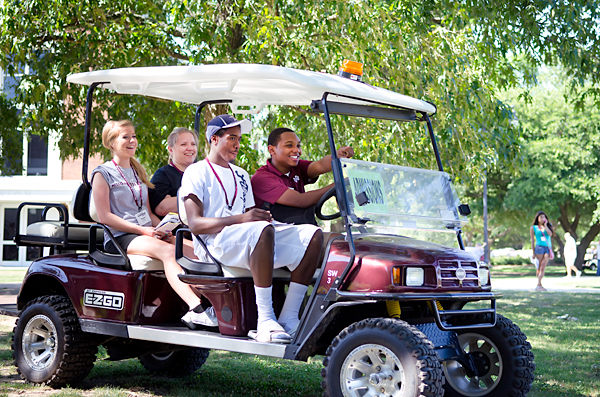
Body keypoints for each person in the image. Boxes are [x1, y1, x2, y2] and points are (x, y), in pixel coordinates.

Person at [180, 115, 323, 343]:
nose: (237, 144)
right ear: (214, 139)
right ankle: (265, 320)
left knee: (312, 235)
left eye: (239, 138)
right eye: (231, 138)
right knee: (262, 230)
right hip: (214, 243)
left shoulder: (241, 175)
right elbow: (195, 224)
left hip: (243, 239)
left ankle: (289, 317)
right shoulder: (196, 172)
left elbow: (250, 220)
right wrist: (244, 219)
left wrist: (261, 218)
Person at [91, 120, 217, 329]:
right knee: (169, 253)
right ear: (112, 142)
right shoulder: (102, 173)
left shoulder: (138, 172)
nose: (132, 141)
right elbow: (104, 216)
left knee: (195, 249)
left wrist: (162, 231)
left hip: (144, 233)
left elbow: (148, 213)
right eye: (126, 137)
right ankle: (196, 309)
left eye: (134, 136)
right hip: (119, 237)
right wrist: (143, 230)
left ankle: (213, 303)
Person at [251, 127, 354, 224]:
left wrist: (337, 156)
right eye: (289, 145)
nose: (296, 150)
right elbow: (301, 200)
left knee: (342, 240)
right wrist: (339, 184)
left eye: (298, 146)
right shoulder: (262, 178)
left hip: (300, 230)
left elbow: (320, 165)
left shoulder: (296, 168)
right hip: (276, 236)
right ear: (272, 150)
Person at [149, 127, 199, 217]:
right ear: (171, 150)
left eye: (193, 144)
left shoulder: (201, 172)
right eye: (183, 144)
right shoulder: (162, 174)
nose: (190, 148)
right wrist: (201, 198)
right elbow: (162, 208)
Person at [530, 211, 553, 291]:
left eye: (544, 217)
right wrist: (533, 252)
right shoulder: (534, 228)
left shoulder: (548, 226)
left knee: (543, 266)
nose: (543, 219)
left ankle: (538, 284)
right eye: (541, 217)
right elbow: (532, 240)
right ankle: (539, 285)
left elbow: (550, 234)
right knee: (539, 267)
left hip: (547, 248)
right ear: (538, 218)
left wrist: (546, 226)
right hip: (539, 248)